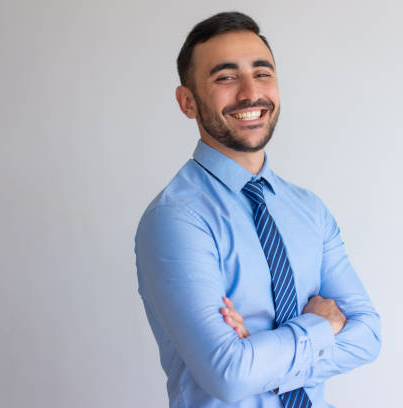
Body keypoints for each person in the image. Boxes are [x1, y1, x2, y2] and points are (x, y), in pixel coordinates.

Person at [135, 11, 381, 408]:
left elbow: (368, 336)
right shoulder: (176, 219)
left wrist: (263, 356)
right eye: (226, 77)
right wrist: (319, 326)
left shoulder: (308, 209)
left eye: (263, 73)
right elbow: (229, 376)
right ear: (187, 102)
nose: (251, 92)